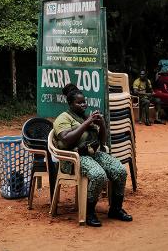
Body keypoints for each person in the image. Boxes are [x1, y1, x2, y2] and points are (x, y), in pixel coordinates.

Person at [53, 84, 132, 227]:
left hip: (93, 154)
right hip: (74, 158)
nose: (83, 104)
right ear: (70, 103)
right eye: (79, 102)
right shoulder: (63, 118)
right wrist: (86, 123)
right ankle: (89, 213)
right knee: (98, 175)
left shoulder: (85, 116)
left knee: (120, 171)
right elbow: (66, 139)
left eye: (84, 101)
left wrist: (102, 124)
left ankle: (116, 209)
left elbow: (102, 141)